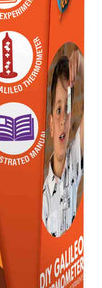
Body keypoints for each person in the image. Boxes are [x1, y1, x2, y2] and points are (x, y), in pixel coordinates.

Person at [42, 50, 84, 237]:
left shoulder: (74, 161)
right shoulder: (42, 200)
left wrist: (82, 62)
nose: (62, 120)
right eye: (59, 110)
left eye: (67, 109)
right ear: (51, 124)